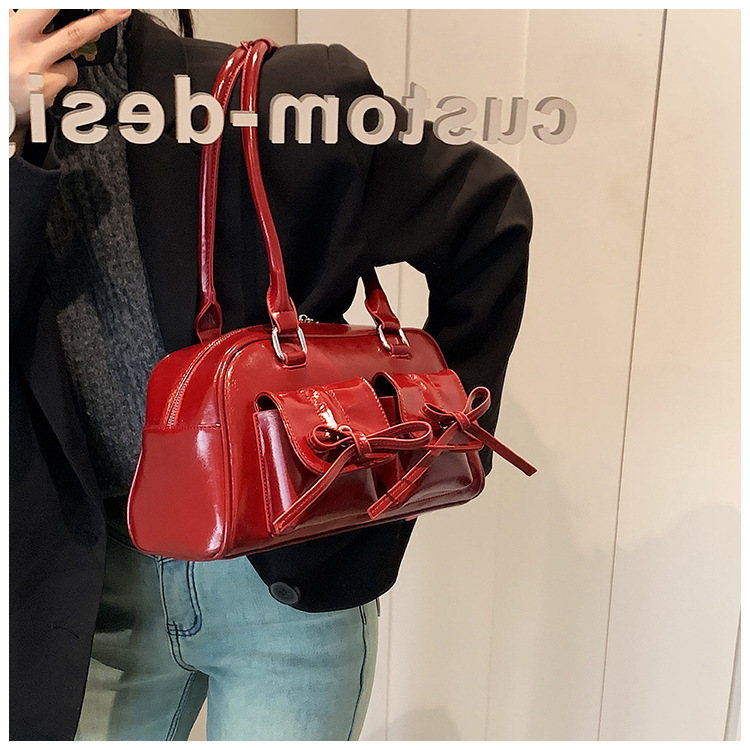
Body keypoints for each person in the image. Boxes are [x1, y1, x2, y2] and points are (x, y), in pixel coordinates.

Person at [9, 8, 533, 741]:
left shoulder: (288, 97)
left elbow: (487, 219)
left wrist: (436, 440)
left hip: (290, 579)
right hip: (77, 599)